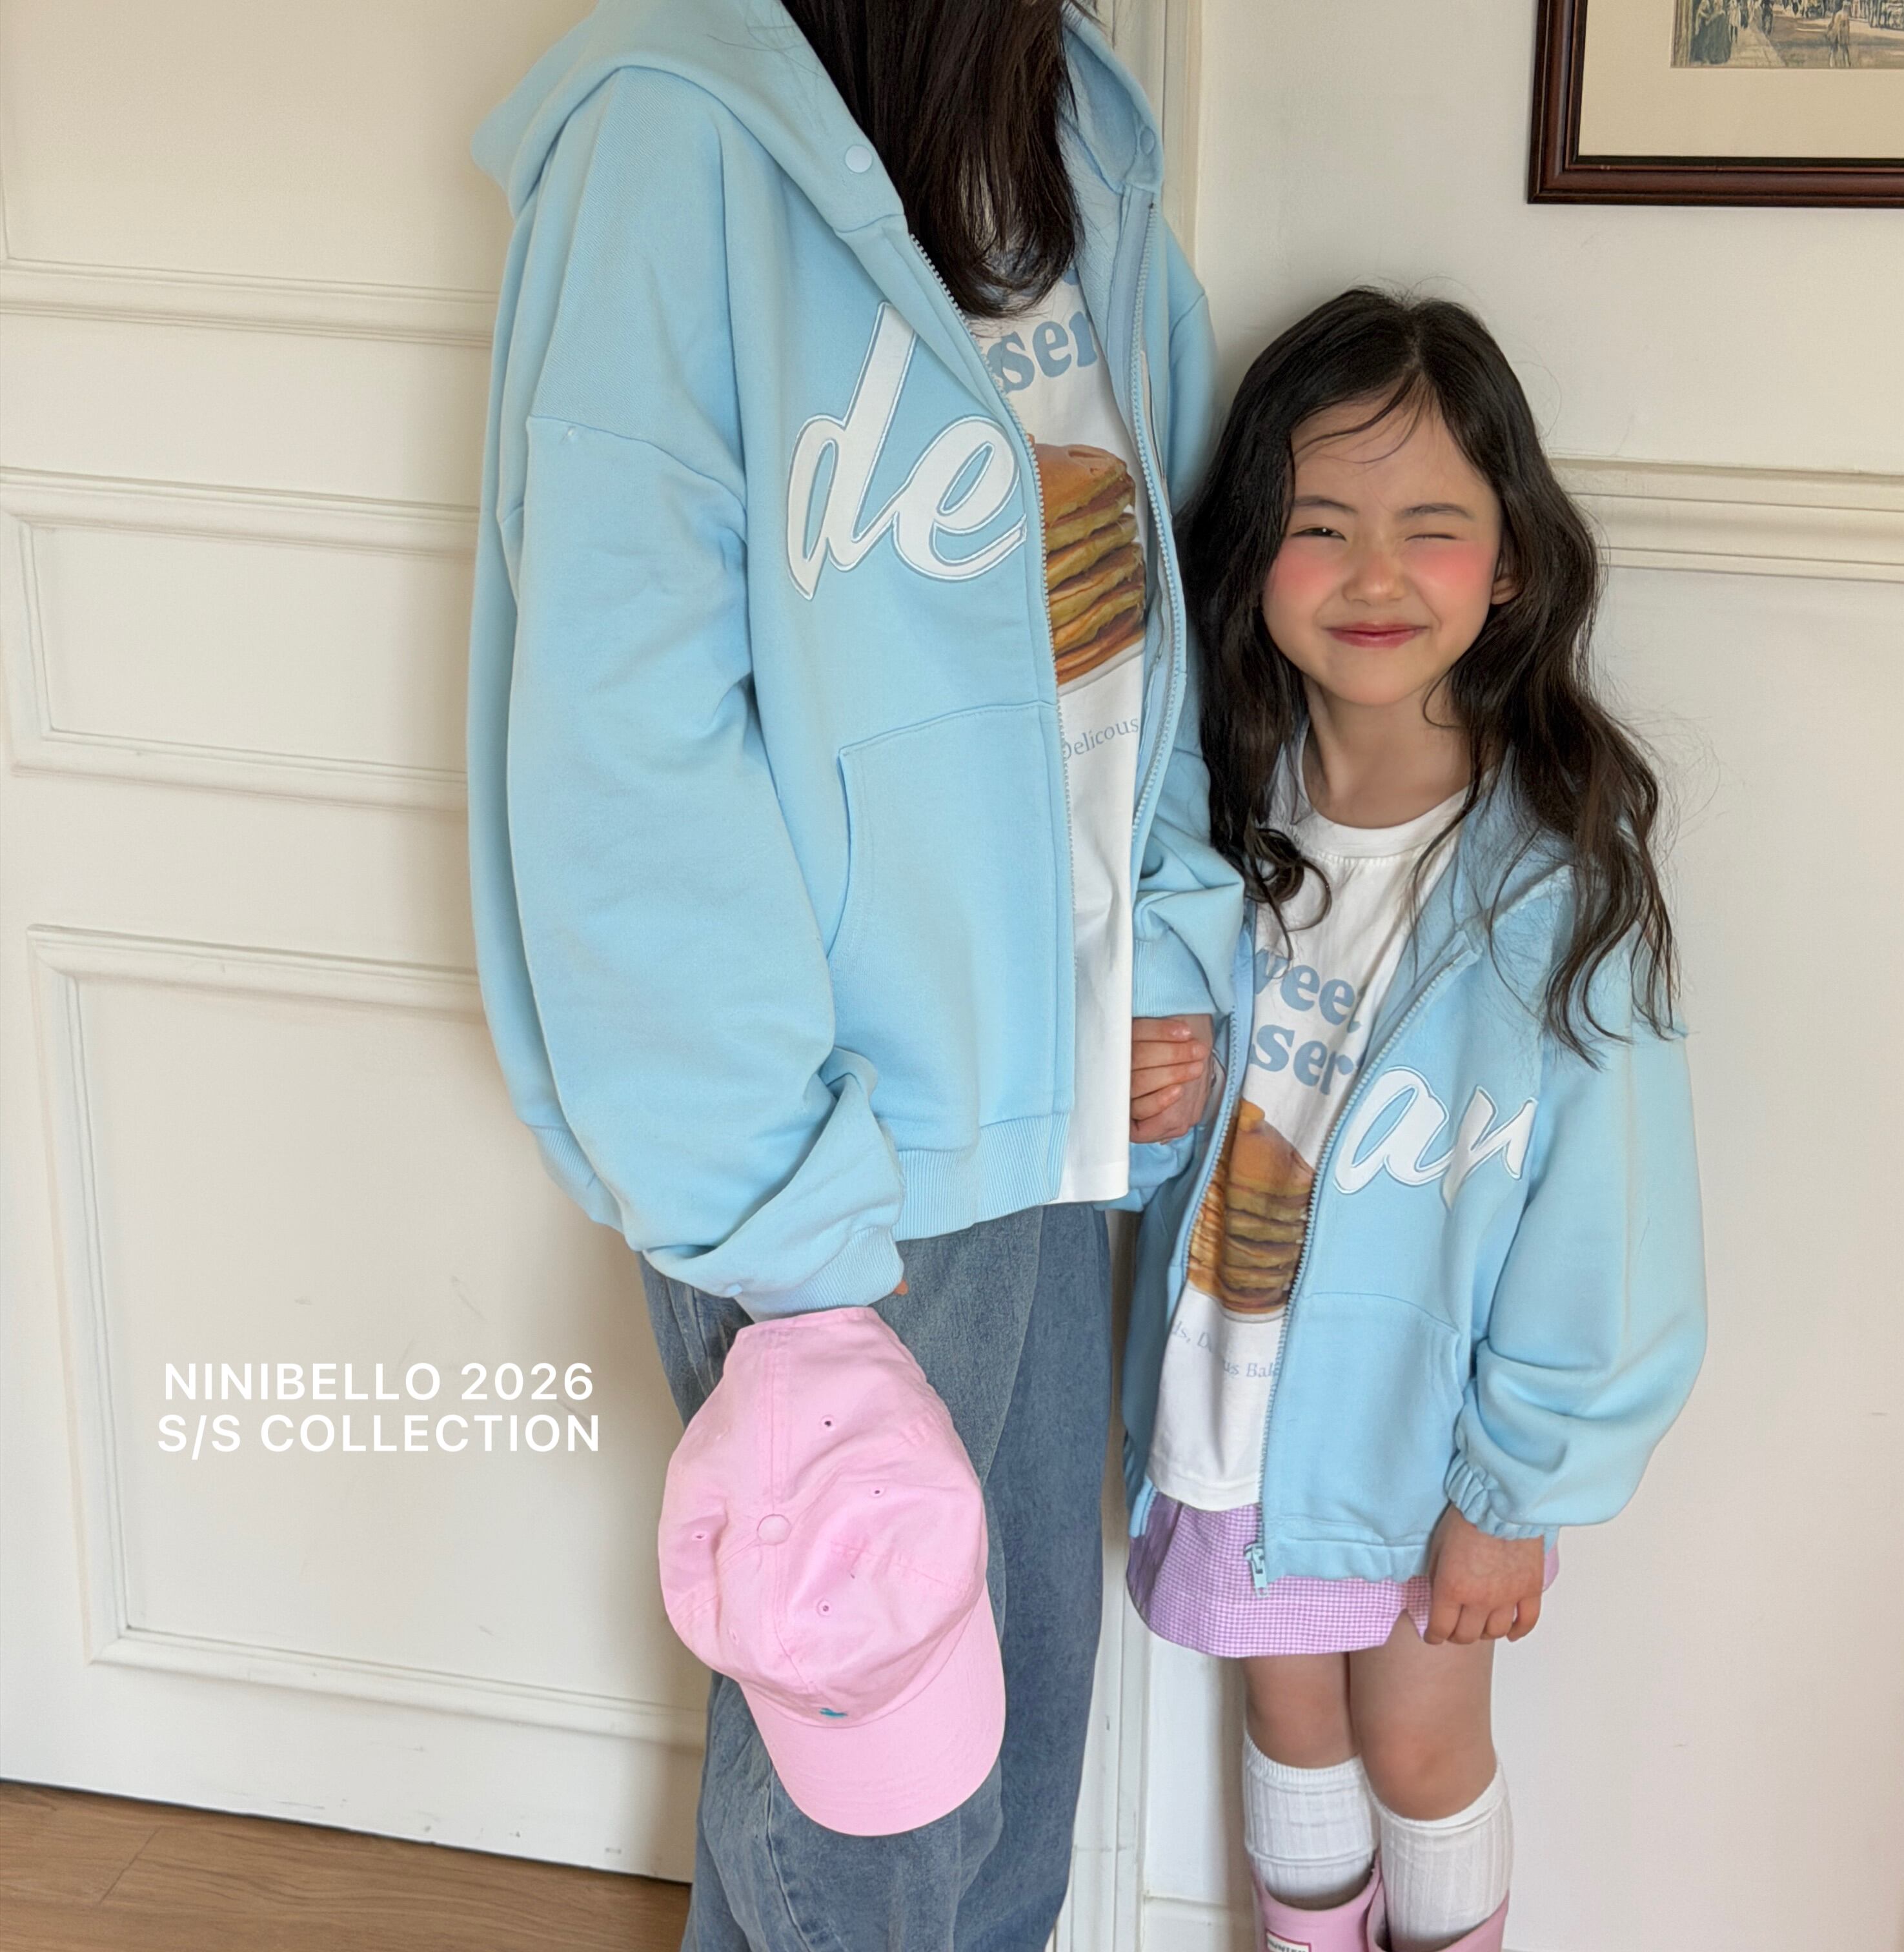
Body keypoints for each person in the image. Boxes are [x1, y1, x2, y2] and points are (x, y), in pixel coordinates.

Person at [463, 0, 1239, 1945]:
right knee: (868, 1817)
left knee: (1013, 1748)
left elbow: (1149, 612)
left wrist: (1161, 945)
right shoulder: (669, 140)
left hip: (1058, 1100)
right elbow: (623, 751)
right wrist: (782, 1218)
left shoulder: (1076, 126)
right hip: (840, 1148)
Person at [1119, 289, 1708, 1952]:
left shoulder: (1559, 890)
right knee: (1291, 1726)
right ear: (1252, 552)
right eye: (1321, 524)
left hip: (1420, 1446)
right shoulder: (1206, 835)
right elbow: (1160, 1165)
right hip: (1234, 1409)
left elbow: (1608, 1236)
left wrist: (1511, 1493)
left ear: (1509, 561)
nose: (1374, 574)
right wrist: (1148, 1112)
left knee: (1418, 1744)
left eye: (1430, 525)